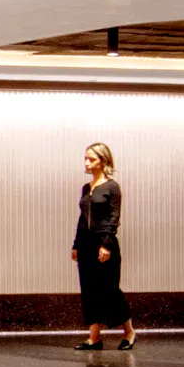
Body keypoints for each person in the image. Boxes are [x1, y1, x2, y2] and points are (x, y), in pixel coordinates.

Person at [72, 141, 136, 353]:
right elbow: (83, 219)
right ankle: (94, 338)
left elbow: (114, 217)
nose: (87, 163)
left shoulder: (112, 187)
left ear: (103, 161)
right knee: (88, 290)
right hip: (86, 245)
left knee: (109, 290)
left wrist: (106, 244)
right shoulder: (86, 188)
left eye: (91, 159)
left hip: (104, 244)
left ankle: (129, 332)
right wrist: (76, 244)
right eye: (86, 158)